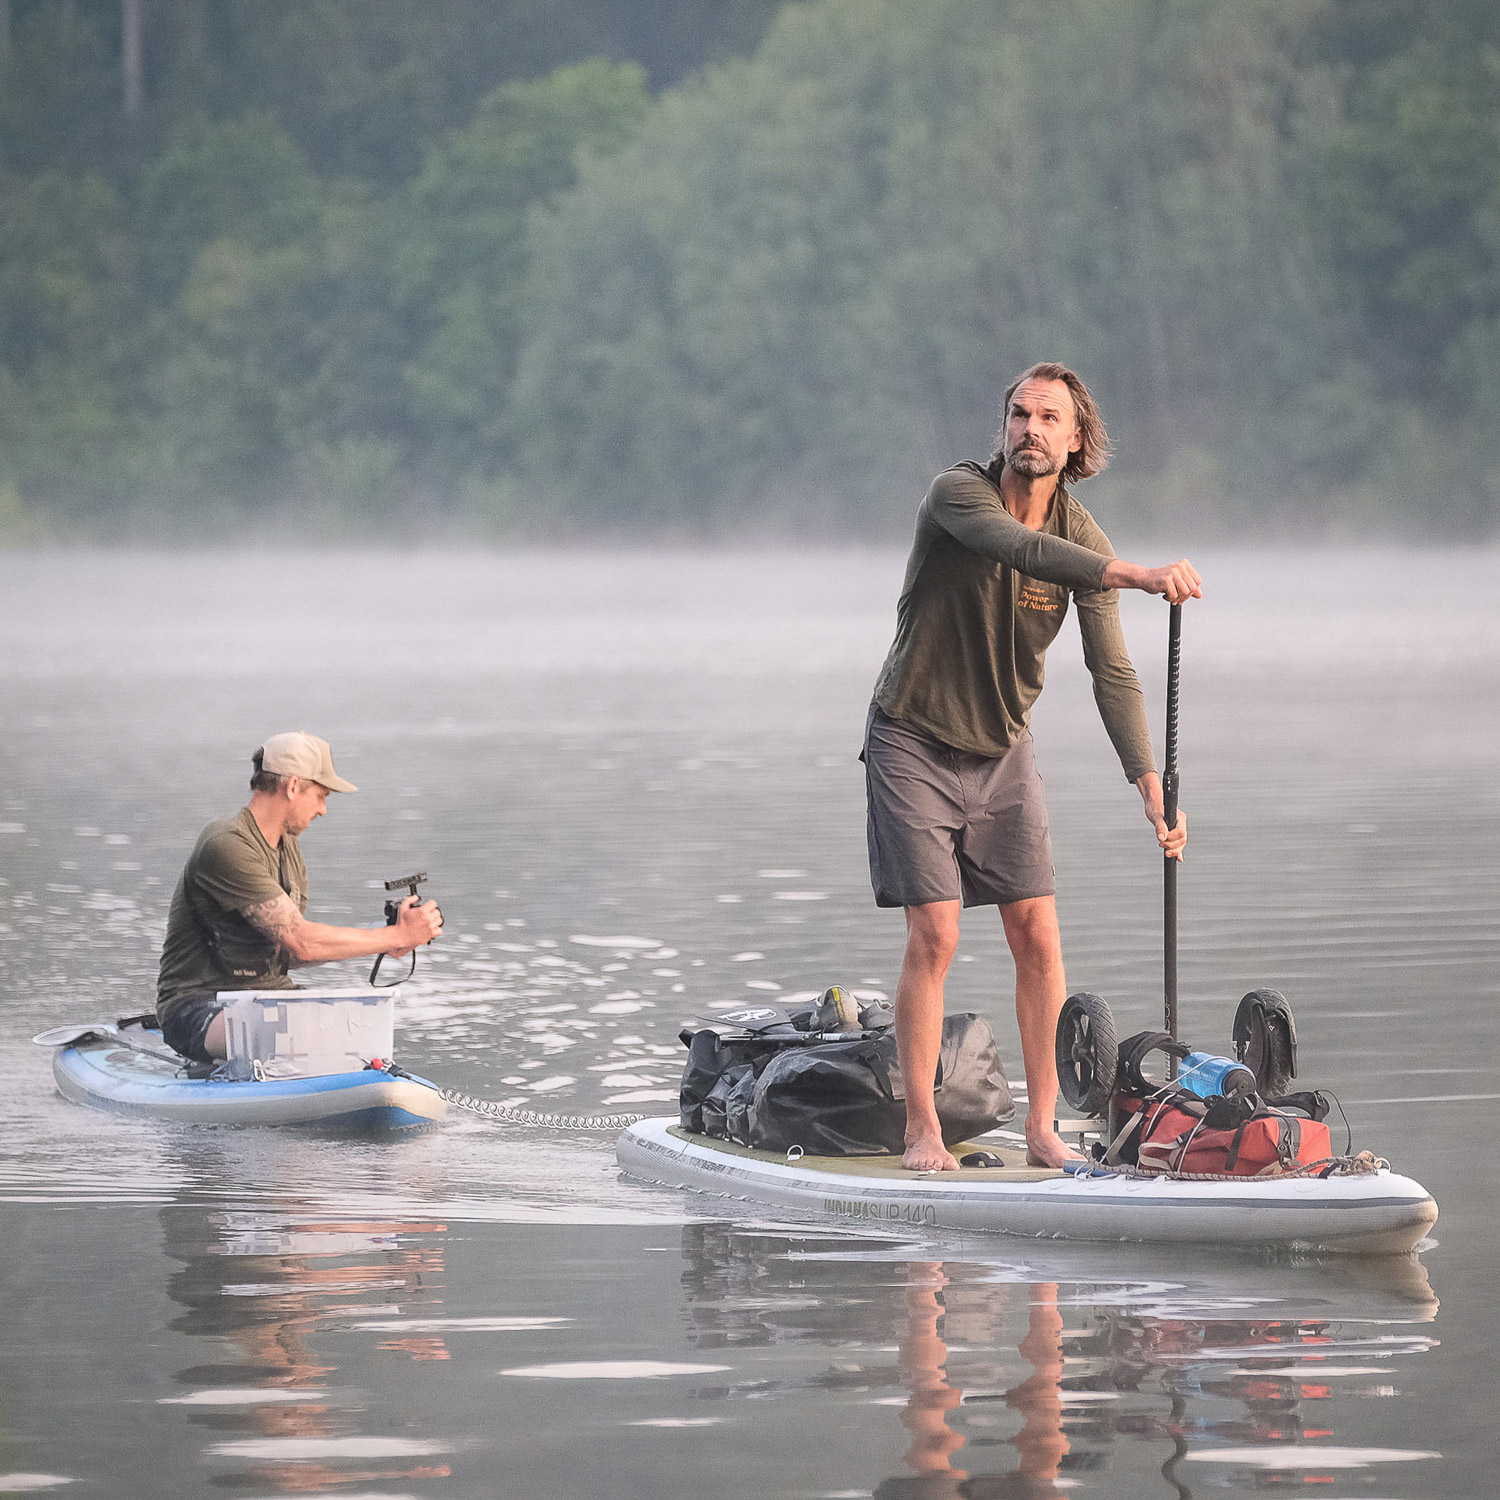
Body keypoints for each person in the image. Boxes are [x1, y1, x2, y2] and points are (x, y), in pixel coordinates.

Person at [864, 362, 1201, 1171]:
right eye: (1019, 413)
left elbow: (1112, 670)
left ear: (1075, 438)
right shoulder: (958, 495)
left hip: (1003, 748)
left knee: (1039, 935)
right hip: (911, 737)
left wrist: (1150, 785)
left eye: (1049, 417)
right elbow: (1018, 547)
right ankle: (922, 1131)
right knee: (936, 933)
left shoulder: (1084, 534)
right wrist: (1140, 573)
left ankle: (1044, 1130)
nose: (1030, 429)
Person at [155, 731, 444, 1062]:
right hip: (197, 1004)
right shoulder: (226, 844)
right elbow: (301, 940)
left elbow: (292, 955)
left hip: (272, 998)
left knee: (359, 1028)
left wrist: (386, 936)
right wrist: (396, 934)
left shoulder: (289, 850)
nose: (323, 810)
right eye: (321, 796)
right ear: (293, 786)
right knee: (294, 1035)